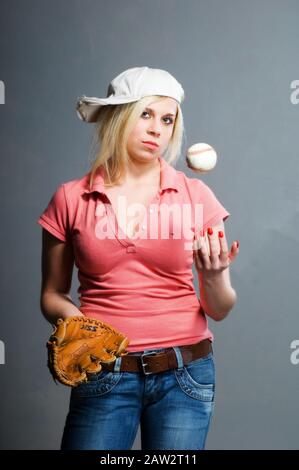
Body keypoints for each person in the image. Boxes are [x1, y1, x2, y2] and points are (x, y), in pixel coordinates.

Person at [37, 66, 239, 450]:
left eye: (167, 119)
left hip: (186, 373)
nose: (156, 129)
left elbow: (220, 307)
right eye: (145, 114)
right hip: (104, 371)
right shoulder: (70, 198)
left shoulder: (196, 196)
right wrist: (82, 327)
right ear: (118, 115)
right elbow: (51, 293)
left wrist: (214, 277)